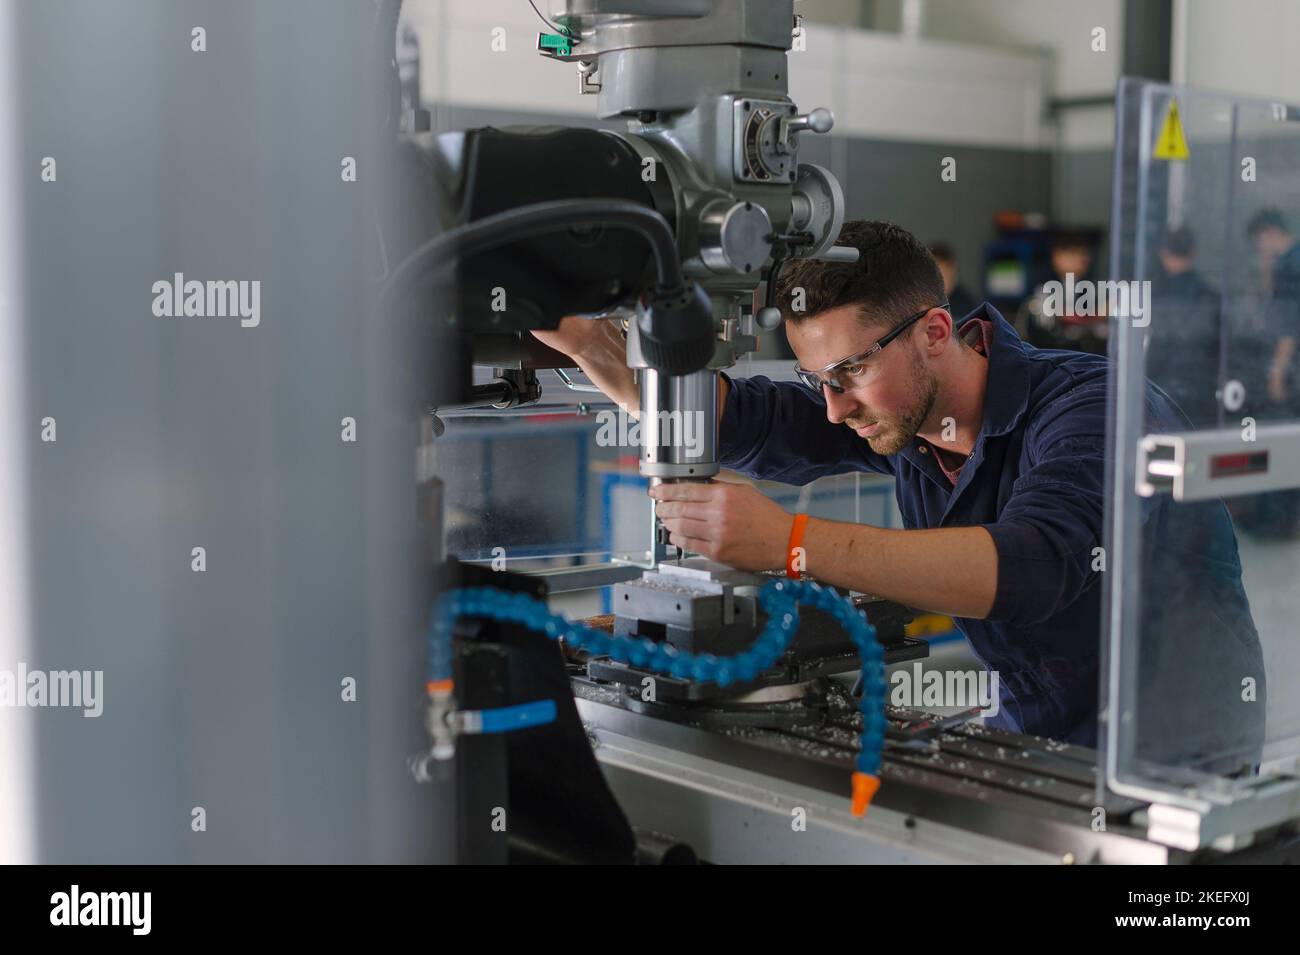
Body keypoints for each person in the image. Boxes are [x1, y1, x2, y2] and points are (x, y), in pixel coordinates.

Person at [535, 220, 1265, 774]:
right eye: (818, 378)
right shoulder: (909, 417)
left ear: (935, 332)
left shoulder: (1094, 410)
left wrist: (789, 542)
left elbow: (1036, 566)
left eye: (848, 371)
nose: (832, 407)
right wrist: (594, 349)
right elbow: (758, 421)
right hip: (1039, 734)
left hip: (1176, 756)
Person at [927, 241, 978, 320]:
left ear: (953, 270)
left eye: (944, 273)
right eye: (934, 276)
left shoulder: (968, 304)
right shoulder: (922, 303)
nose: (940, 282)